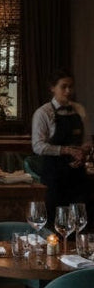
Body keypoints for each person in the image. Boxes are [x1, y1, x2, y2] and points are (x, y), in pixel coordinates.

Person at [31, 67, 93, 227]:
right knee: (55, 224)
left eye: (71, 87)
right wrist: (67, 150)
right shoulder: (43, 113)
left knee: (81, 222)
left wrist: (83, 151)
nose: (68, 91)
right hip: (54, 177)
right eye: (63, 86)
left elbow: (86, 140)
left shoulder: (79, 109)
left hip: (77, 176)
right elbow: (38, 146)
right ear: (52, 88)